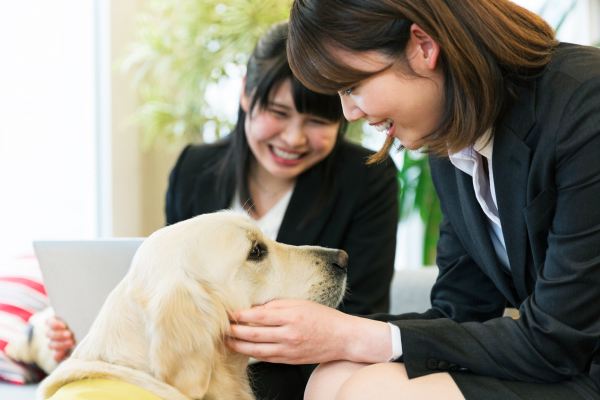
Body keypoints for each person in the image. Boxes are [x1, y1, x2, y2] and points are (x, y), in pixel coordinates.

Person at [225, 1, 600, 400]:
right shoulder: (452, 140)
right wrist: (320, 337)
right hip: (560, 363)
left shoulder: (585, 104)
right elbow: (460, 312)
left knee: (371, 389)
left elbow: (559, 339)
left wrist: (354, 334)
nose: (348, 113)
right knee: (334, 373)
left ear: (422, 46)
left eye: (352, 86)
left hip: (578, 362)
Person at [44, 21, 399, 400]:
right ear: (246, 92)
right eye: (278, 113)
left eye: (316, 121)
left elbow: (362, 318)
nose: (293, 138)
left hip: (298, 376)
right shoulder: (194, 169)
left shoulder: (366, 178)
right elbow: (173, 291)